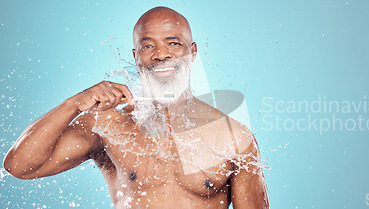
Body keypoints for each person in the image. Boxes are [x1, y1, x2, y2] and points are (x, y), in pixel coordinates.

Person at [3, 6, 269, 209]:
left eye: (173, 43)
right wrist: (73, 104)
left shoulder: (233, 137)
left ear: (193, 52)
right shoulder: (109, 126)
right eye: (147, 45)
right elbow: (19, 166)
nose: (161, 54)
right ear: (135, 56)